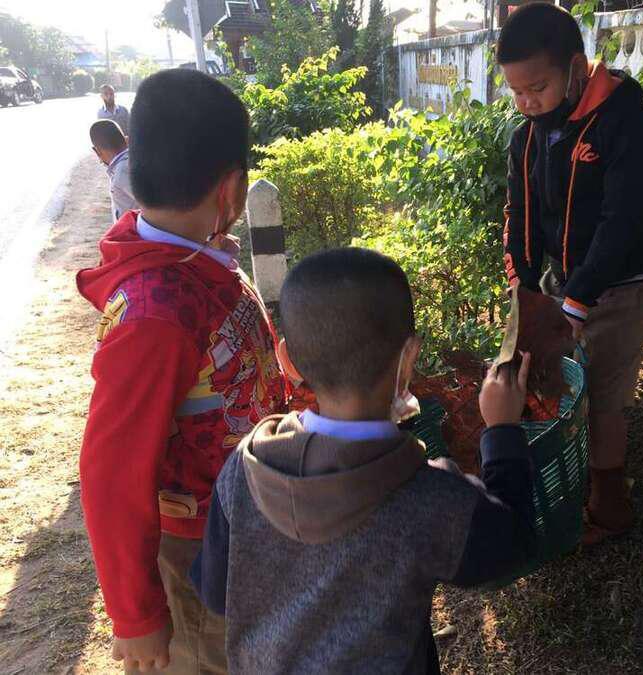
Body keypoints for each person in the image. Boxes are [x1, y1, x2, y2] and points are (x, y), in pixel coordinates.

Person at [190, 247, 538, 674]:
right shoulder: (432, 499)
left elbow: (216, 593)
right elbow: (513, 545)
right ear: (409, 358)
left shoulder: (242, 471)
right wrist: (502, 429)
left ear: (287, 360)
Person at [76, 68, 285, 673]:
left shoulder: (194, 255)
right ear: (232, 189)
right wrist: (136, 616)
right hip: (195, 553)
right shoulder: (154, 315)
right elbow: (111, 472)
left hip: (238, 524)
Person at [497, 3, 643, 545]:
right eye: (516, 92)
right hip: (572, 272)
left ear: (576, 68)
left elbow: (622, 223)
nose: (527, 102)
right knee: (548, 367)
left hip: (628, 278)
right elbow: (520, 213)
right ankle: (566, 470)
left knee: (602, 386)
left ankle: (609, 505)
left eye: (538, 88)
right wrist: (524, 285)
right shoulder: (529, 135)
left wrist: (576, 302)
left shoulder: (627, 124)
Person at [89, 119, 138, 222]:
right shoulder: (134, 159)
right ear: (126, 140)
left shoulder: (122, 172)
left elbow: (154, 206)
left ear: (97, 151)